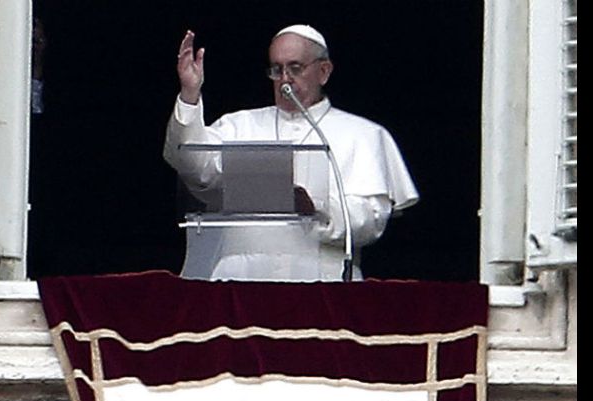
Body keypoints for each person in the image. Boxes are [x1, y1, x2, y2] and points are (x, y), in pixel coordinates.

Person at [163, 25, 419, 282]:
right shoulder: (239, 126)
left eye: (295, 68)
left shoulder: (363, 134)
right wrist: (190, 94)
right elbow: (192, 165)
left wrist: (318, 206)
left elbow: (372, 220)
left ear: (324, 71)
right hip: (241, 281)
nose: (285, 78)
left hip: (323, 281)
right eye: (277, 69)